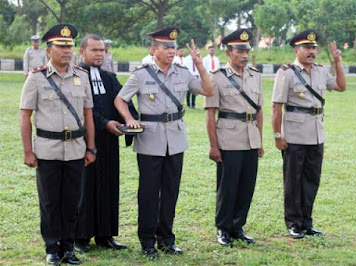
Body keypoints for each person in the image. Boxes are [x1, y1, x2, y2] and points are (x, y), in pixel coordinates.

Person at [114, 26, 213, 258]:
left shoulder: (182, 73)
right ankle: (147, 241)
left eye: (174, 47)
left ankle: (166, 239)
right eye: (166, 47)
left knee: (171, 191)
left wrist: (199, 63)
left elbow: (208, 90)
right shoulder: (141, 74)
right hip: (150, 139)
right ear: (153, 50)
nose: (171, 51)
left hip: (176, 139)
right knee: (149, 193)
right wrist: (129, 118)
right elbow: (120, 99)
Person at [20, 23, 96, 265]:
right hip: (47, 150)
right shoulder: (36, 78)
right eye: (61, 47)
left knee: (72, 201)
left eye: (70, 47)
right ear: (48, 50)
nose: (67, 51)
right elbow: (25, 116)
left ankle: (68, 247)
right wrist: (28, 151)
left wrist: (91, 147)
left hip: (75, 148)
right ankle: (52, 247)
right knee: (50, 202)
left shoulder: (82, 77)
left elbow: (88, 115)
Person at [271, 29, 346, 239]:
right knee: (293, 181)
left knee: (311, 180)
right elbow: (277, 107)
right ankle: (293, 223)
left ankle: (307, 222)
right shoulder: (286, 73)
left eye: (314, 48)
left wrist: (338, 62)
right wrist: (278, 135)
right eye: (307, 48)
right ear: (297, 50)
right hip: (294, 135)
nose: (312, 51)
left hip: (316, 134)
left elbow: (341, 86)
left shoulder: (321, 71)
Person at [74, 34, 138, 253]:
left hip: (110, 141)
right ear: (82, 52)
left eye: (102, 50)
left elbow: (123, 101)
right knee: (85, 187)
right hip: (84, 141)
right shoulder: (74, 77)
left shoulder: (110, 78)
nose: (100, 54)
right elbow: (81, 109)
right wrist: (104, 124)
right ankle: (80, 236)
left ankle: (105, 234)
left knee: (108, 185)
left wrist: (131, 124)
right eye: (95, 50)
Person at [204, 29, 264, 247]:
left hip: (250, 137)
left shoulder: (255, 75)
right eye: (240, 51)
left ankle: (238, 226)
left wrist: (260, 140)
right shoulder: (218, 77)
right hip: (228, 138)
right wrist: (213, 146)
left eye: (247, 50)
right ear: (229, 53)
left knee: (247, 185)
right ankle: (223, 227)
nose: (245, 55)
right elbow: (210, 113)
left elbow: (259, 110)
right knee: (227, 186)